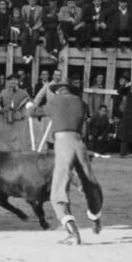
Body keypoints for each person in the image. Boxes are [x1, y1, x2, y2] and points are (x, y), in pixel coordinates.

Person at [28, 81, 103, 245]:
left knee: (59, 187)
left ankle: (73, 233)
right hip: (79, 142)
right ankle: (95, 216)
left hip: (62, 143)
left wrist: (36, 98)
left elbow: (32, 112)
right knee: (89, 181)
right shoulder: (81, 104)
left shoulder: (54, 102)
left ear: (58, 91)